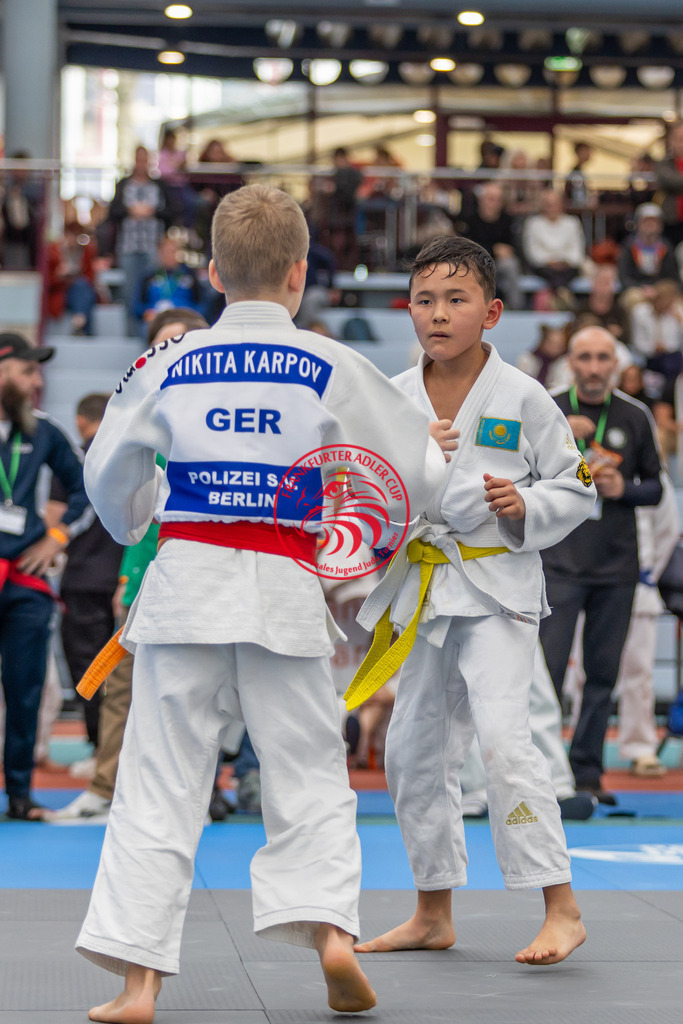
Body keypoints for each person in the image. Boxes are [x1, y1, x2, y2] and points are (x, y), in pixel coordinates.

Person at [75, 184, 445, 1022]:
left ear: (210, 272)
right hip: (283, 584)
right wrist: (364, 541)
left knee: (159, 779)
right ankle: (331, 940)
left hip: (187, 581)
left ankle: (139, 984)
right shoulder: (330, 361)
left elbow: (108, 471)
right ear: (299, 274)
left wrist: (138, 512)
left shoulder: (168, 359)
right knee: (309, 772)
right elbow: (413, 471)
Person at [350, 235, 595, 966]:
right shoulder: (391, 397)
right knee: (412, 748)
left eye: (455, 299)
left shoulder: (523, 396)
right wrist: (411, 459)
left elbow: (575, 487)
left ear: (489, 312)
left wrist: (522, 504)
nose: (438, 313)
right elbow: (365, 495)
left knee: (500, 739)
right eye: (424, 300)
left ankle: (560, 904)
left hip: (495, 589)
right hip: (425, 591)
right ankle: (432, 909)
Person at [48, 309, 210, 823]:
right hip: (153, 572)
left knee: (212, 696)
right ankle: (105, 787)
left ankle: (207, 796)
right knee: (122, 685)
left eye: (186, 342)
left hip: (220, 574)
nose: (175, 352)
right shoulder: (141, 419)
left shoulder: (227, 420)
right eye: (165, 344)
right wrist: (130, 576)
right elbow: (132, 515)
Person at [540, 327, 664, 804]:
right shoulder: (546, 408)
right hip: (558, 562)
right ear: (570, 361)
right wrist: (561, 439)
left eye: (602, 358)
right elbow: (517, 474)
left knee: (602, 674)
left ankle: (588, 775)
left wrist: (622, 491)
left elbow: (655, 487)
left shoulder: (634, 416)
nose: (593, 367)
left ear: (615, 364)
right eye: (584, 358)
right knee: (545, 675)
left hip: (616, 566)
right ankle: (544, 776)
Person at [0, 333, 89, 820]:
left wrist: (56, 536)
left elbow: (86, 486)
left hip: (22, 580)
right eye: (27, 371)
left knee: (26, 688)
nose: (37, 382)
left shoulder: (43, 431)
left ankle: (18, 793)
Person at [46, 394, 123, 774]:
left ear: (80, 421)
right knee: (123, 675)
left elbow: (54, 518)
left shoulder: (74, 460)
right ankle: (114, 751)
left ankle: (99, 749)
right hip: (126, 575)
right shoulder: (130, 453)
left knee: (90, 669)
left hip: (83, 578)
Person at [107, 146, 171, 335]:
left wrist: (152, 211)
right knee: (129, 291)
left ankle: (152, 332)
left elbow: (171, 212)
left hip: (152, 244)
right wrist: (130, 211)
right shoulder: (124, 184)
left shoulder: (158, 185)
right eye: (139, 159)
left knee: (152, 289)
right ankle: (131, 333)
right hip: (129, 245)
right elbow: (112, 212)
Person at [461, 182, 523, 309]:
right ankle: (476, 307)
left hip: (501, 264)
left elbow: (516, 248)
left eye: (498, 200)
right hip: (477, 263)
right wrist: (494, 249)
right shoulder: (470, 221)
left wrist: (505, 251)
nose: (495, 204)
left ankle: (516, 308)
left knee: (511, 265)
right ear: (481, 200)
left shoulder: (508, 221)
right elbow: (466, 248)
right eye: (491, 199)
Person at [522, 189, 585, 294]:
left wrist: (563, 261)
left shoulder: (572, 223)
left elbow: (577, 250)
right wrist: (550, 262)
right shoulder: (533, 223)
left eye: (554, 204)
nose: (551, 208)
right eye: (548, 204)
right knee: (551, 274)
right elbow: (533, 252)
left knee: (570, 272)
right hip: (544, 266)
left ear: (561, 205)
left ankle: (558, 296)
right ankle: (563, 295)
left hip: (567, 266)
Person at [617, 204, 680, 306]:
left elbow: (673, 277)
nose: (650, 225)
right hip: (637, 288)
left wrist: (659, 289)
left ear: (660, 225)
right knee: (632, 299)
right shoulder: (629, 247)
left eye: (654, 222)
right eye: (646, 222)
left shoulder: (666, 247)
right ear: (638, 224)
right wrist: (642, 288)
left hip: (661, 289)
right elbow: (624, 277)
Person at [654, 120, 683, 248]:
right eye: (679, 139)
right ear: (671, 141)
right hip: (671, 222)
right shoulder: (663, 165)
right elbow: (670, 181)